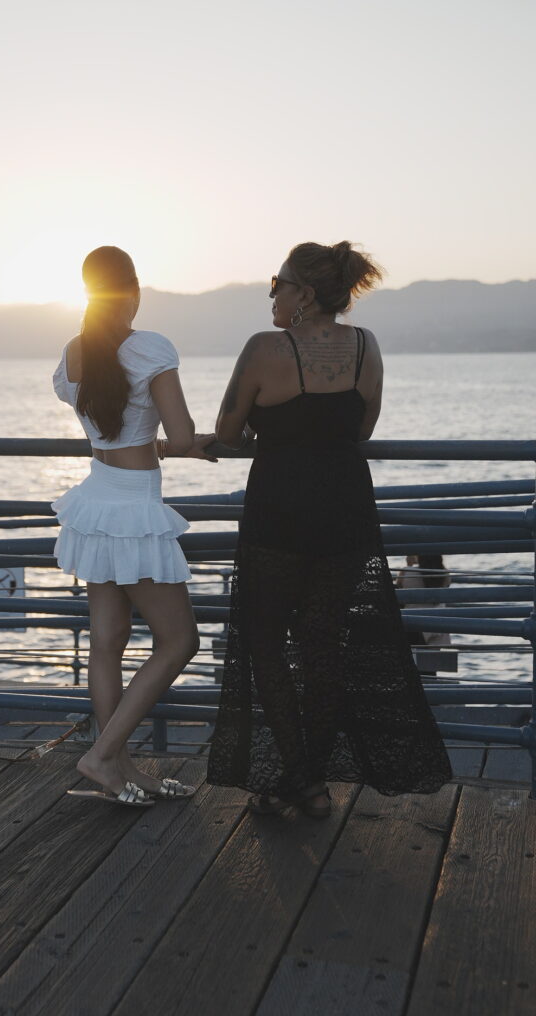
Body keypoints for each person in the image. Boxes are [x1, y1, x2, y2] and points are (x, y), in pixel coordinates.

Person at [206, 240, 452, 817]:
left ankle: (303, 779)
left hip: (280, 509)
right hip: (344, 507)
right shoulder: (367, 347)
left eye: (278, 284)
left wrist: (259, 437)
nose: (272, 293)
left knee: (265, 643)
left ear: (304, 294)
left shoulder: (266, 349)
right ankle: (308, 777)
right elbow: (362, 428)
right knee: (323, 646)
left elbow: (226, 431)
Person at [52, 245, 216, 807]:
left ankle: (118, 767)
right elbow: (183, 432)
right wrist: (188, 447)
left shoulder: (74, 354)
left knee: (108, 640)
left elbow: (109, 431)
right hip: (133, 509)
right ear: (134, 290)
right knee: (180, 640)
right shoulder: (149, 348)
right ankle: (101, 757)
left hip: (95, 502)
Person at [397, 554, 452, 661]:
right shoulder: (444, 575)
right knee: (430, 664)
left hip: (413, 625)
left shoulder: (407, 572)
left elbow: (399, 587)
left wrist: (410, 564)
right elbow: (446, 581)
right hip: (436, 626)